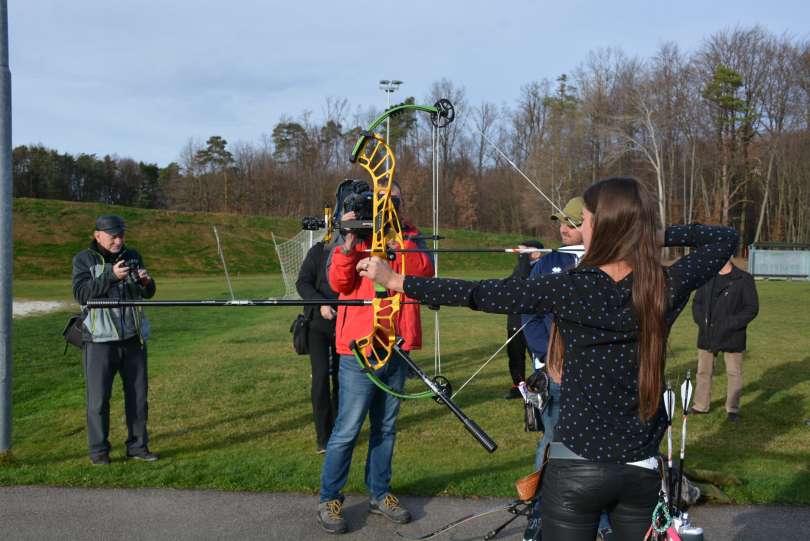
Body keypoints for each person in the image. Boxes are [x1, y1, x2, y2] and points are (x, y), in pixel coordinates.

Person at [359, 177, 738, 541]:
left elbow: (481, 294)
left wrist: (397, 281)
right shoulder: (663, 285)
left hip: (577, 467)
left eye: (586, 220)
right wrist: (650, 234)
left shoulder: (572, 287)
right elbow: (724, 238)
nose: (583, 228)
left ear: (603, 227)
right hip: (639, 468)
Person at [317, 182, 434, 534]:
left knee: (385, 427)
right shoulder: (356, 234)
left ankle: (379, 493)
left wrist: (399, 242)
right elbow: (338, 282)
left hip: (396, 347)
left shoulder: (410, 234)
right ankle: (329, 498)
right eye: (381, 201)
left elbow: (423, 273)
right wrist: (350, 242)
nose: (388, 207)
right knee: (347, 429)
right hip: (360, 349)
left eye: (394, 200)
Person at [520, 197, 615, 541]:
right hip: (555, 373)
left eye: (573, 223)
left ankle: (600, 516)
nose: (564, 228)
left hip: (595, 372)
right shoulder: (547, 264)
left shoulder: (605, 261)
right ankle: (540, 513)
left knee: (598, 442)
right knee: (553, 439)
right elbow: (528, 313)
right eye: (561, 222)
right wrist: (546, 361)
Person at [71, 215, 158, 465]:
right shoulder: (83, 259)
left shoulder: (133, 255)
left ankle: (138, 447)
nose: (118, 240)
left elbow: (148, 293)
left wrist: (146, 282)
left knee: (138, 398)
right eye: (113, 235)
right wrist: (112, 276)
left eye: (121, 234)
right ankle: (99, 452)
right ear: (97, 235)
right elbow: (81, 293)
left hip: (133, 338)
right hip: (99, 342)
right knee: (98, 400)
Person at [691, 258, 758, 422]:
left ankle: (732, 409)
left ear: (729, 256)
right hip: (707, 334)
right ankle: (700, 405)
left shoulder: (744, 279)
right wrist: (702, 322)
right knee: (703, 371)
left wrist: (731, 324)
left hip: (732, 334)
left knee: (734, 373)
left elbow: (751, 308)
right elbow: (697, 303)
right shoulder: (706, 276)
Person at [297, 240, 340, 453]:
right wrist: (320, 303)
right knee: (321, 376)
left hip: (346, 325)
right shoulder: (318, 251)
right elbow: (302, 282)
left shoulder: (360, 248)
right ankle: (323, 437)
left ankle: (341, 432)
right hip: (317, 325)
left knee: (343, 379)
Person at [504, 239, 544, 399]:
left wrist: (523, 258)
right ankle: (519, 386)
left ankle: (541, 383)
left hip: (533, 320)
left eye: (528, 250)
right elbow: (514, 281)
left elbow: (524, 279)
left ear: (538, 252)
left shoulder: (540, 266)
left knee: (536, 353)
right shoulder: (521, 266)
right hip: (515, 318)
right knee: (515, 353)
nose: (524, 254)